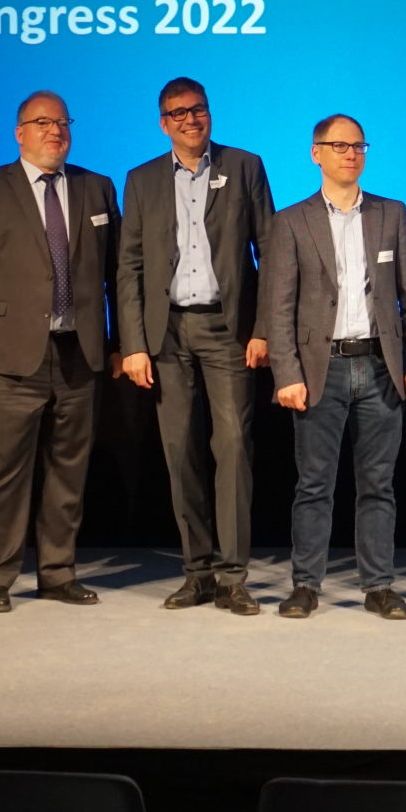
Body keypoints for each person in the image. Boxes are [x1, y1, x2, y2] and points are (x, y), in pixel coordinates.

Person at [0, 90, 120, 613]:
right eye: (42, 122)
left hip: (79, 353)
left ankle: (57, 573)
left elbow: (117, 274)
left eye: (62, 122)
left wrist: (121, 344)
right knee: (2, 471)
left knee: (69, 470)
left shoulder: (96, 186)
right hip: (9, 355)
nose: (55, 131)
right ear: (19, 133)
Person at [115, 77, 276, 617]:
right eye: (178, 113)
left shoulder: (245, 166)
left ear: (210, 113)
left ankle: (234, 577)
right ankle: (197, 572)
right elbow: (129, 267)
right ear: (164, 123)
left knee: (233, 448)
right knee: (180, 451)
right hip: (166, 334)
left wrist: (264, 328)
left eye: (198, 109)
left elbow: (271, 251)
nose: (190, 119)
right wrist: (133, 343)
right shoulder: (141, 180)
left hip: (228, 331)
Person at [263, 114, 406, 620]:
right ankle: (305, 585)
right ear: (316, 153)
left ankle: (379, 586)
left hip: (380, 367)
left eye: (358, 146)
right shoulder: (291, 222)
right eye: (339, 146)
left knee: (378, 484)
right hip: (322, 370)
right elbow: (278, 307)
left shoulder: (391, 214)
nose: (351, 154)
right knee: (314, 485)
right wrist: (286, 373)